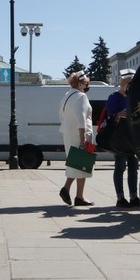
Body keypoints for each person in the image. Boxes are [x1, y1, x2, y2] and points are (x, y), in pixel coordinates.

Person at [58, 70, 94, 207]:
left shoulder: (66, 96)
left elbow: (61, 116)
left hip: (68, 133)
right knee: (82, 165)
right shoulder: (81, 97)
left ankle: (69, 191)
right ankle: (78, 196)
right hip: (80, 134)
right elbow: (81, 119)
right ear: (79, 83)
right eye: (85, 83)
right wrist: (83, 139)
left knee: (76, 164)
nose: (86, 86)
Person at [107, 69, 139, 208]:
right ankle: (120, 198)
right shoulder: (114, 97)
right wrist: (125, 113)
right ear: (125, 83)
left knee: (133, 167)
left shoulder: (134, 96)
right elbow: (112, 116)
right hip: (120, 137)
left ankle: (134, 196)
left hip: (133, 137)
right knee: (120, 166)